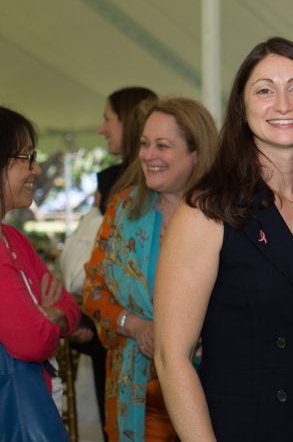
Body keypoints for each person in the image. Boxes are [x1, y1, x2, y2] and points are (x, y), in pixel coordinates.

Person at [153, 37, 293, 441]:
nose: (283, 104)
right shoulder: (207, 208)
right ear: (241, 108)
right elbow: (172, 358)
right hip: (241, 425)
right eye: (264, 90)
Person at [83, 97, 217, 442]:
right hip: (135, 393)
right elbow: (95, 289)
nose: (147, 155)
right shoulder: (122, 208)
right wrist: (136, 324)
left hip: (213, 387)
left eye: (162, 145)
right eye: (144, 144)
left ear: (196, 153)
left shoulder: (224, 215)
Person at [60, 86, 157, 439]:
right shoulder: (119, 190)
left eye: (107, 119)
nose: (102, 129)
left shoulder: (114, 185)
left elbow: (77, 272)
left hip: (117, 345)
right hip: (120, 340)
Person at [0, 106, 80, 437]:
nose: (36, 168)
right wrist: (51, 320)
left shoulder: (13, 238)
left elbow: (70, 310)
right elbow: (31, 342)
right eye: (27, 157)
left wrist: (52, 316)